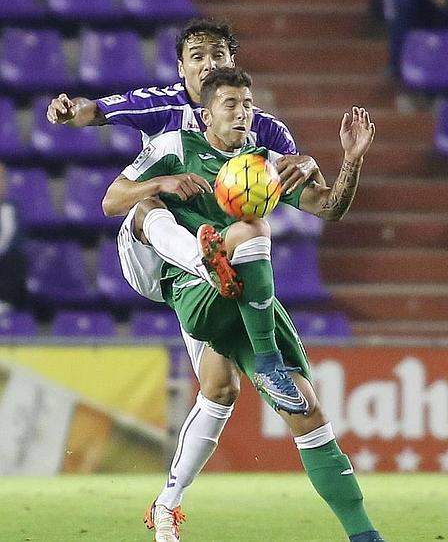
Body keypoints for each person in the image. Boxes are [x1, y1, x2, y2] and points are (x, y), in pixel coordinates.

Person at [105, 67, 384, 542]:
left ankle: (364, 536)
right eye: (230, 104)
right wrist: (163, 184)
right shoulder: (173, 147)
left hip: (242, 291)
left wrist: (351, 161)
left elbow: (330, 208)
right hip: (185, 279)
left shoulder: (266, 164)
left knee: (294, 410)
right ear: (206, 112)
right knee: (226, 225)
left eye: (248, 104)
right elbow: (112, 200)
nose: (242, 113)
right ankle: (208, 266)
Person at [0, 163, 26, 312]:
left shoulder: (11, 208)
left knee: (14, 259)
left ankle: (5, 301)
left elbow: (12, 240)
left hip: (6, 264)